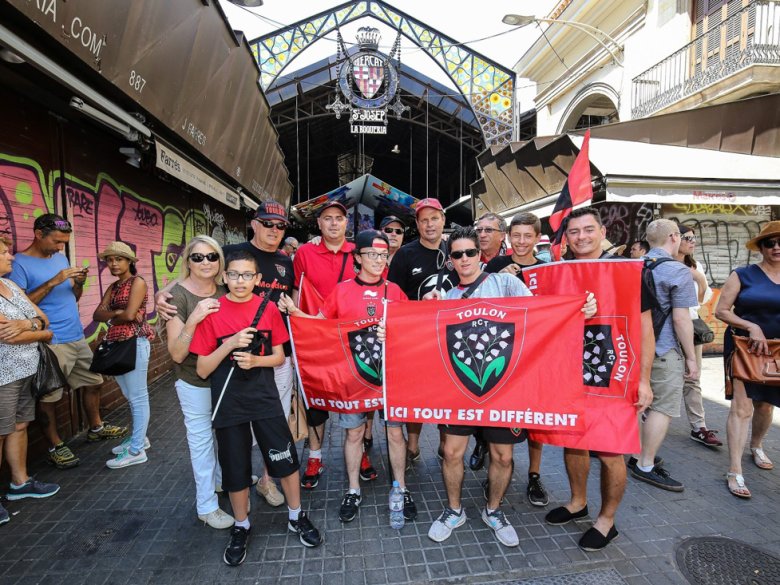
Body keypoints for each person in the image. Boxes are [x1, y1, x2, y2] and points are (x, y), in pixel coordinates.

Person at [421, 227, 596, 548]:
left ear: (480, 255)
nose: (464, 260)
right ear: (450, 261)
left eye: (470, 253)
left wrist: (579, 310)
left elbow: (543, 317)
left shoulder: (506, 283)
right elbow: (427, 340)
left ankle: (494, 510)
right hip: (462, 390)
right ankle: (454, 510)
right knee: (451, 452)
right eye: (457, 254)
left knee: (502, 457)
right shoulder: (445, 298)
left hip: (507, 389)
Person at [190, 249, 322, 566]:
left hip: (264, 399)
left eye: (247, 275)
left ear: (258, 280)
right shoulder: (211, 311)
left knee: (285, 459)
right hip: (229, 403)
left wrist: (255, 360)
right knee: (236, 471)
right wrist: (230, 343)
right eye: (234, 274)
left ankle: (295, 515)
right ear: (224, 277)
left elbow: (278, 357)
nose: (240, 281)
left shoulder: (268, 310)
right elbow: (202, 369)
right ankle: (242, 525)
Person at [279, 230, 417, 524]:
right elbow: (320, 325)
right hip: (353, 378)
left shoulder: (394, 291)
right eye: (372, 254)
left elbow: (411, 330)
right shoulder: (342, 290)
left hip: (390, 378)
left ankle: (401, 487)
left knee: (395, 433)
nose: (379, 260)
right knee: (354, 433)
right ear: (358, 258)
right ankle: (353, 489)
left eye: (383, 255)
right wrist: (294, 312)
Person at [544, 207, 655, 552]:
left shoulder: (630, 271)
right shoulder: (557, 273)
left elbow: (647, 329)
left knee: (611, 452)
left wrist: (645, 380)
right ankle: (578, 502)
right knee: (573, 441)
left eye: (588, 230)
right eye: (573, 232)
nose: (581, 237)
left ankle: (607, 521)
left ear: (602, 230)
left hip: (617, 375)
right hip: (571, 375)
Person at [9, 214, 126, 469]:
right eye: (57, 241)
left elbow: (73, 296)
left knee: (94, 382)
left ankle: (95, 427)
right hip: (51, 342)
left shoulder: (59, 258)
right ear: (39, 234)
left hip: (76, 336)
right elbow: (19, 307)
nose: (61, 247)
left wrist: (79, 284)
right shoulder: (19, 264)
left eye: (64, 242)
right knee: (49, 396)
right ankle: (55, 445)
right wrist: (53, 281)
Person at [164, 235, 234, 529]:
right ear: (188, 262)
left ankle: (220, 480)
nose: (206, 262)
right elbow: (177, 353)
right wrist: (194, 318)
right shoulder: (176, 296)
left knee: (224, 433)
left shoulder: (226, 289)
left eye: (212, 256)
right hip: (193, 379)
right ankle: (206, 506)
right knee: (202, 441)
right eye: (198, 257)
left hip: (226, 377)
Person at [484, 212, 548, 507]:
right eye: (517, 235)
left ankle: (534, 475)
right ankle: (491, 466)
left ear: (537, 238)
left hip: (536, 354)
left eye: (528, 236)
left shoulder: (548, 269)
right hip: (504, 353)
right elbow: (483, 307)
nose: (522, 242)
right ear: (508, 236)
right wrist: (501, 280)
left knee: (533, 419)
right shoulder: (496, 265)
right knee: (494, 413)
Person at [629, 219, 698, 492]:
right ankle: (645, 464)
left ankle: (635, 453)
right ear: (673, 236)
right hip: (663, 348)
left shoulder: (633, 265)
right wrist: (691, 357)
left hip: (632, 347)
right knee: (662, 406)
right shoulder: (678, 271)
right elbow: (682, 319)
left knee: (635, 402)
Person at [387, 198, 457, 463]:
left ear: (443, 220)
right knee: (416, 393)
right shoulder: (406, 254)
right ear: (417, 224)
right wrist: (418, 304)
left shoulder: (457, 249)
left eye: (434, 218)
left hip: (450, 336)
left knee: (446, 392)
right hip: (416, 338)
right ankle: (413, 444)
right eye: (424, 220)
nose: (430, 224)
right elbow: (392, 296)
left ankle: (444, 442)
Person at [292, 200, 356, 490]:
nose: (333, 223)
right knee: (316, 401)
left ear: (347, 224)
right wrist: (297, 333)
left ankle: (361, 451)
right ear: (318, 224)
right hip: (316, 336)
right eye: (327, 218)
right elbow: (298, 291)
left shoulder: (358, 252)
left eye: (339, 218)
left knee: (356, 398)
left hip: (350, 339)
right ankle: (315, 456)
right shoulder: (304, 252)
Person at [715, 221, 780, 499]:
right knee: (742, 409)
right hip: (744, 348)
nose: (776, 247)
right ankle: (734, 469)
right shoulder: (743, 274)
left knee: (765, 406)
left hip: (777, 352)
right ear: (761, 247)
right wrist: (751, 326)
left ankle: (756, 445)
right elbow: (721, 311)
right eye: (770, 243)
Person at [0, 236, 60, 524]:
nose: (11, 257)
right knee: (0, 430)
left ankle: (20, 483)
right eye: (3, 253)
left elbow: (43, 319)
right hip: (3, 375)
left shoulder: (10, 285)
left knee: (20, 424)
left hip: (26, 369)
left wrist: (29, 325)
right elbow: (6, 336)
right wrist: (40, 331)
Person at [93, 242, 155, 469]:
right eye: (110, 260)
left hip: (134, 343)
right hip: (117, 344)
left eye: (118, 259)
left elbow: (129, 314)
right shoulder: (114, 287)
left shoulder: (137, 282)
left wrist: (113, 315)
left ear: (129, 261)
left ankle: (137, 450)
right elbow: (96, 313)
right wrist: (115, 314)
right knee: (130, 395)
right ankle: (141, 438)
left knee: (138, 397)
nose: (113, 263)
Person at [675, 225, 720, 447]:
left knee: (693, 378)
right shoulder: (663, 263)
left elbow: (701, 300)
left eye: (694, 238)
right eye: (688, 238)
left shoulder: (695, 265)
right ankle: (645, 423)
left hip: (691, 326)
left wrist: (699, 279)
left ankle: (699, 426)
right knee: (660, 377)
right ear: (674, 238)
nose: (693, 242)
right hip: (664, 327)